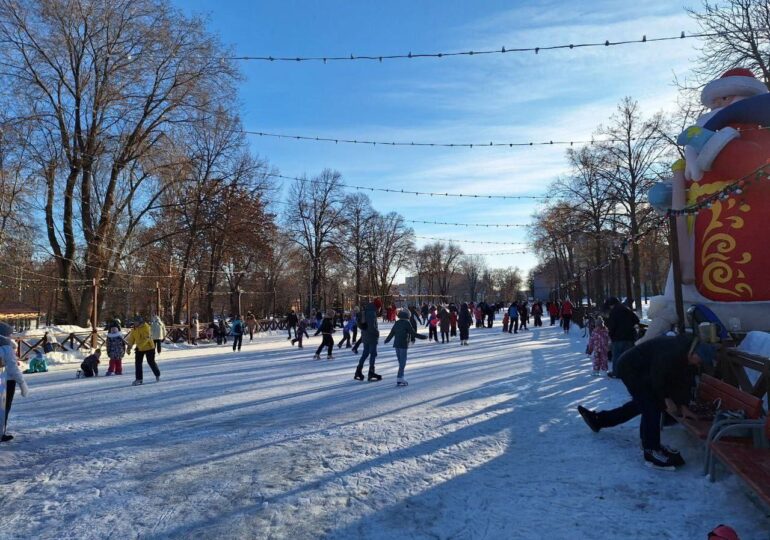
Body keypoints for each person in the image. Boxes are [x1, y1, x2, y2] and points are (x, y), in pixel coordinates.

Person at [576, 334, 715, 469]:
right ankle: (651, 450)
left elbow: (680, 382)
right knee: (652, 406)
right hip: (631, 368)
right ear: (694, 353)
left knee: (642, 404)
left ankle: (598, 420)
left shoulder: (686, 354)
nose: (698, 364)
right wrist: (666, 399)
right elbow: (658, 377)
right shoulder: (673, 350)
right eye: (700, 360)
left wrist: (682, 405)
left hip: (645, 371)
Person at [0, 322, 29, 442]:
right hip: (5, 381)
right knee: (3, 408)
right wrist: (22, 383)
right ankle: (1, 433)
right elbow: (12, 368)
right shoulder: (6, 346)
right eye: (10, 334)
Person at [384, 309, 427, 386]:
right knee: (402, 363)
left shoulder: (397, 323)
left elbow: (392, 333)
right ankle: (400, 378)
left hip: (396, 345)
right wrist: (423, 337)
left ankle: (401, 377)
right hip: (403, 345)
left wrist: (387, 340)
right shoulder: (407, 323)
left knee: (401, 362)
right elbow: (413, 333)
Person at [605, 296, 640, 377]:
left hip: (618, 338)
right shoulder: (626, 309)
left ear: (611, 305)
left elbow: (612, 326)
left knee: (617, 356)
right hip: (630, 337)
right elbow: (636, 320)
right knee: (628, 356)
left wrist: (611, 335)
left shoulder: (613, 312)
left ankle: (617, 373)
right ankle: (629, 372)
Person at [126, 316, 161, 386]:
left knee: (150, 362)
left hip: (149, 348)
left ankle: (157, 374)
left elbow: (146, 338)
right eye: (134, 322)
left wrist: (140, 346)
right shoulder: (134, 329)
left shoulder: (146, 327)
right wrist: (129, 348)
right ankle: (139, 379)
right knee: (138, 363)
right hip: (139, 348)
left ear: (140, 322)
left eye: (136, 322)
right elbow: (131, 339)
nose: (135, 323)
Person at [354, 302, 381, 381]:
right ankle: (371, 372)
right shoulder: (372, 313)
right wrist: (377, 333)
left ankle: (358, 371)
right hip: (371, 336)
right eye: (379, 308)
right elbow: (372, 326)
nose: (379, 310)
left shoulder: (365, 311)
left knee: (365, 353)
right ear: (376, 307)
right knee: (373, 353)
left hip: (365, 336)